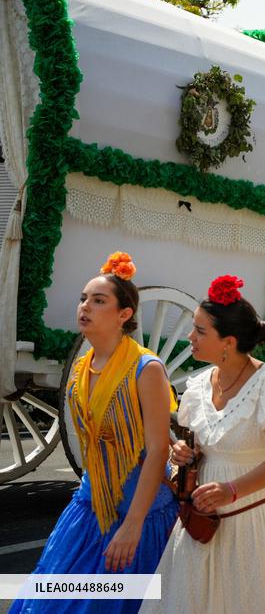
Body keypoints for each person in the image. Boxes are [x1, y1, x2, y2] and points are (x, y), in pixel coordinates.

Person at [10, 253, 177, 614]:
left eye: (99, 301)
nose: (85, 307)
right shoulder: (82, 368)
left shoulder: (147, 369)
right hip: (89, 508)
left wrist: (133, 526)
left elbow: (158, 450)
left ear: (124, 315)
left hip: (140, 513)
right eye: (83, 299)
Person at [146, 275, 265, 613]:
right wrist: (184, 456)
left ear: (229, 342)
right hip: (202, 522)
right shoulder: (196, 388)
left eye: (200, 330)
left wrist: (231, 490)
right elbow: (194, 452)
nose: (190, 337)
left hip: (257, 523)